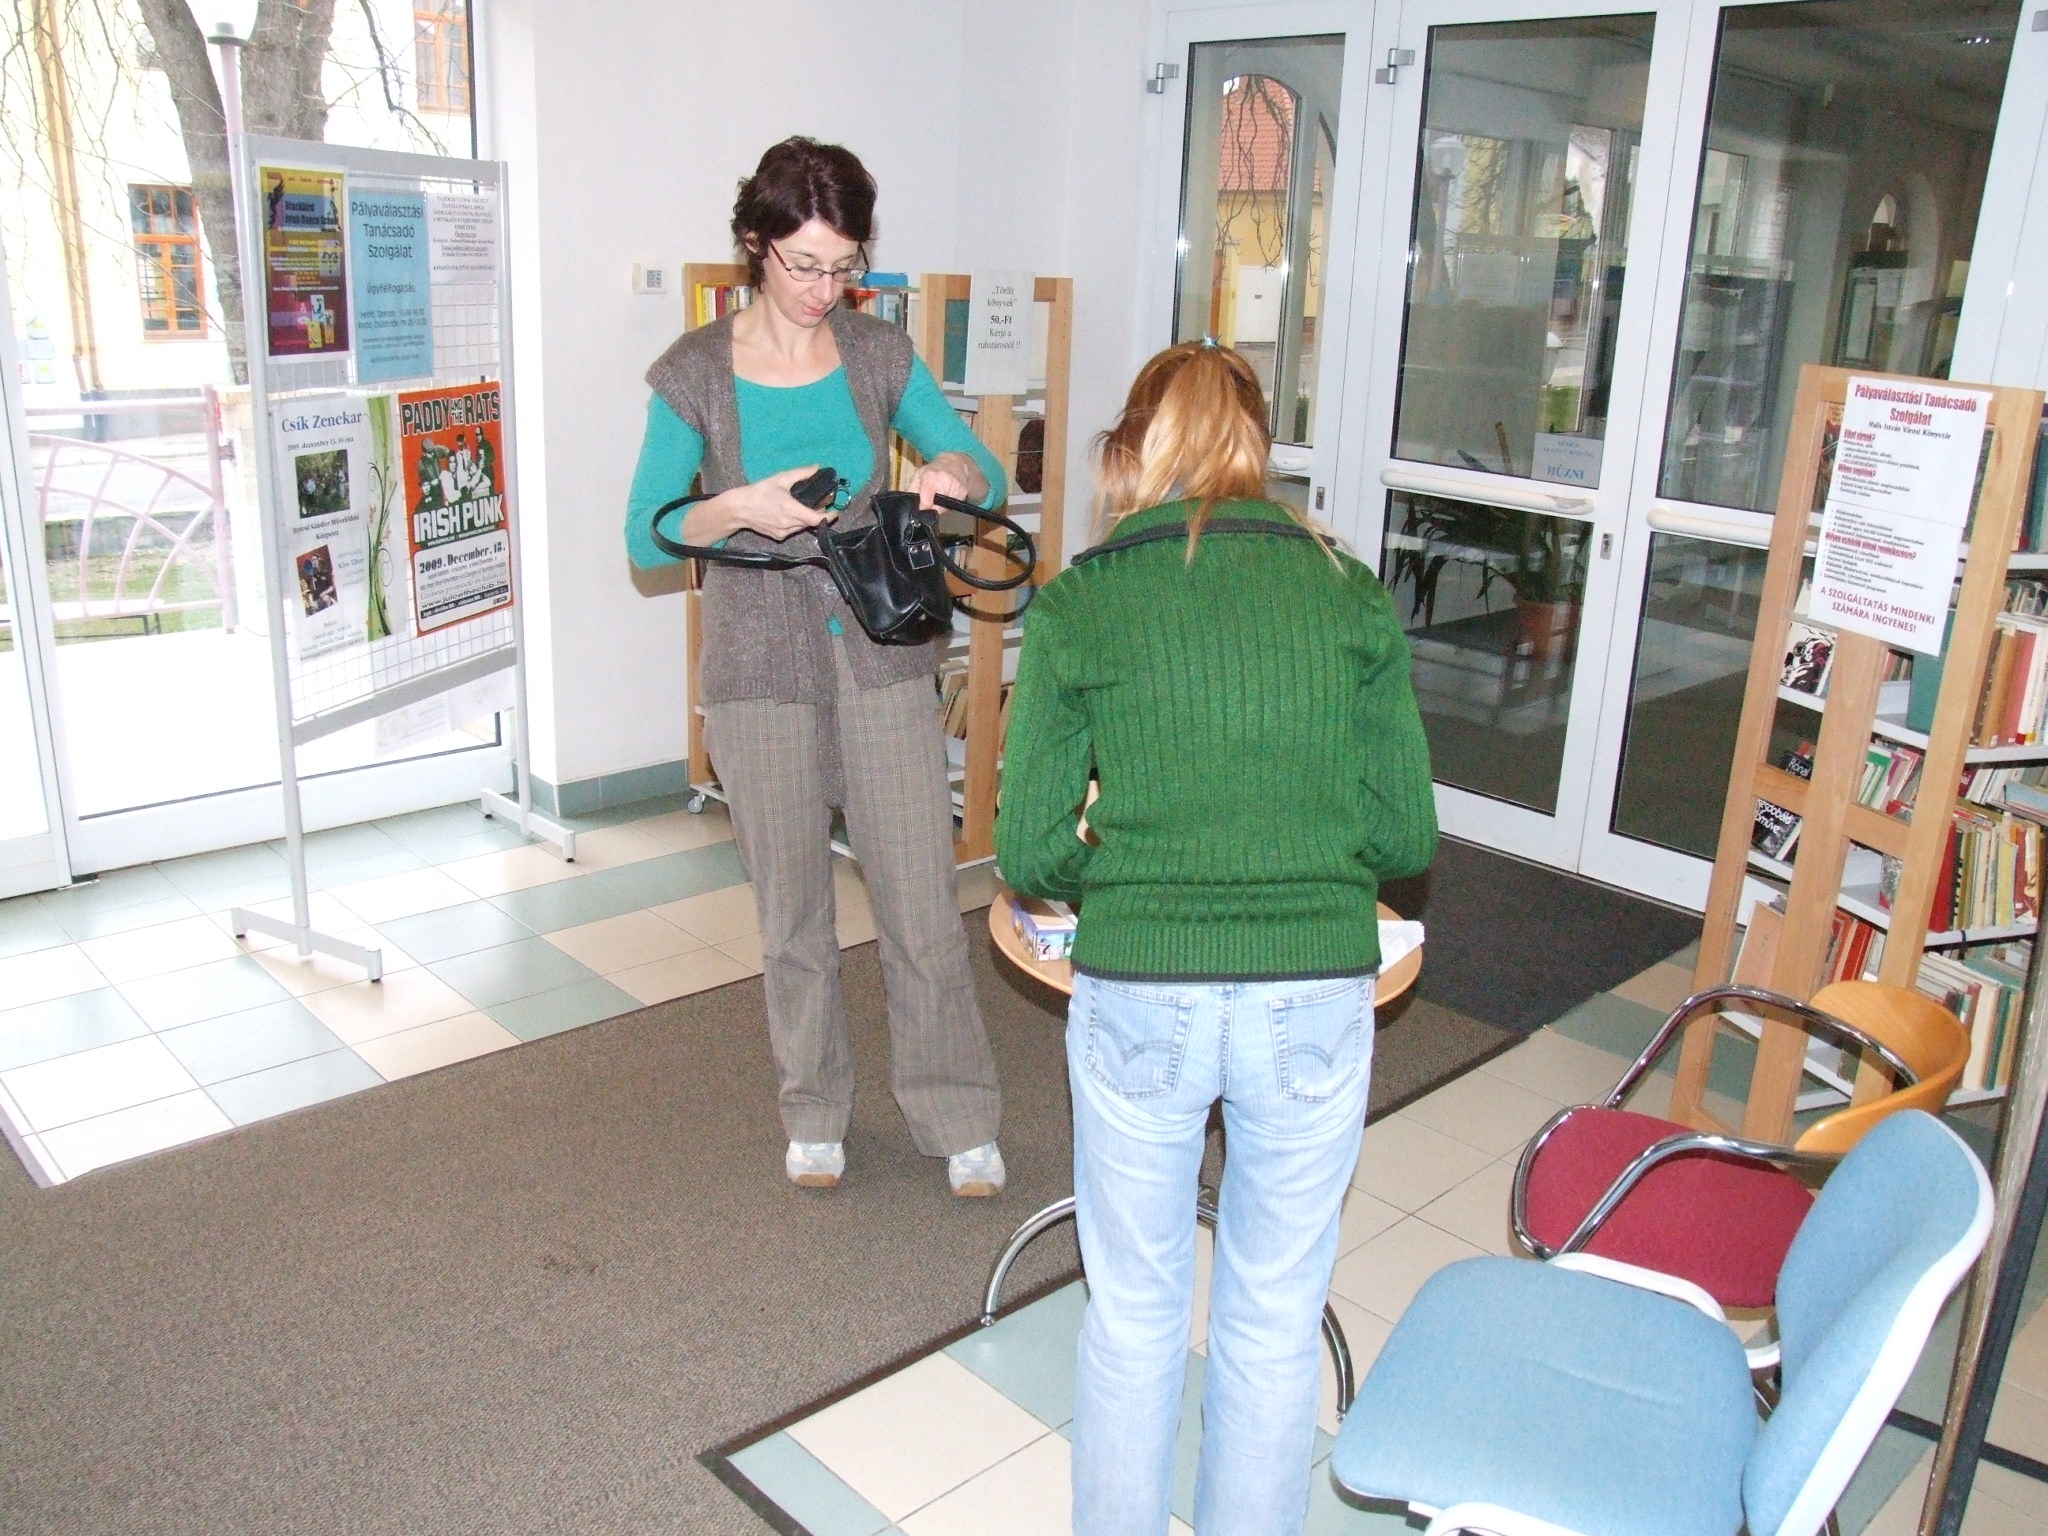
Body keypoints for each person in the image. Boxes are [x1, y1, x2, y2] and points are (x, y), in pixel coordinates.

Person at [995, 342, 1437, 1534]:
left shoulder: (1081, 600)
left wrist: (1124, 867)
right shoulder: (1347, 593)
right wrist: (1295, 840)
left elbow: (1027, 851)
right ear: (1257, 447)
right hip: (1315, 990)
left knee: (1133, 1315)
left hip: (1140, 988)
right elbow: (1403, 834)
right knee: (1273, 1319)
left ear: (1130, 451)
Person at [625, 137, 1007, 1197]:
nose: (823, 288)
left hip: (881, 660)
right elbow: (648, 534)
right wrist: (736, 507)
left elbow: (979, 467)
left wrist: (949, 469)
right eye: (804, 264)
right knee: (791, 915)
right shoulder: (694, 373)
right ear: (755, 244)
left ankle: (956, 1113)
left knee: (920, 904)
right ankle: (814, 1108)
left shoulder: (877, 353)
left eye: (844, 266)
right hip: (757, 672)